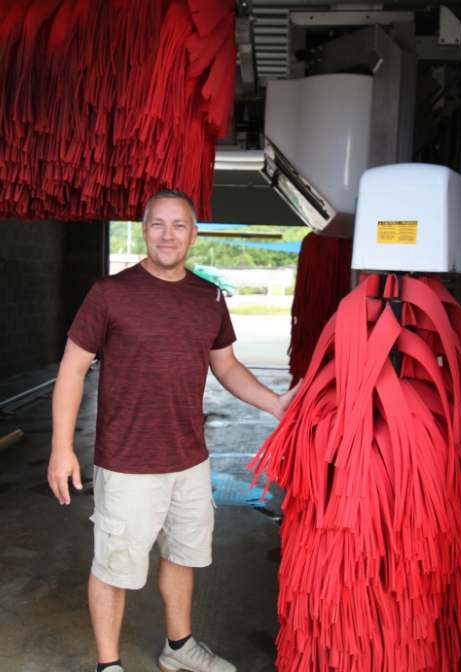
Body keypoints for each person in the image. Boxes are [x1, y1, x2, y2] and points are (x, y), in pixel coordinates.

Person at [47, 189, 300, 672]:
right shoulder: (110, 293)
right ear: (144, 230)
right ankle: (109, 665)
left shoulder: (208, 297)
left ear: (194, 234)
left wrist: (275, 404)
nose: (168, 234)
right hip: (126, 461)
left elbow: (226, 366)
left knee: (183, 557)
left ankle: (178, 649)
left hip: (190, 459)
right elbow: (72, 369)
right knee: (114, 568)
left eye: (178, 225)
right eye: (158, 224)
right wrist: (62, 447)